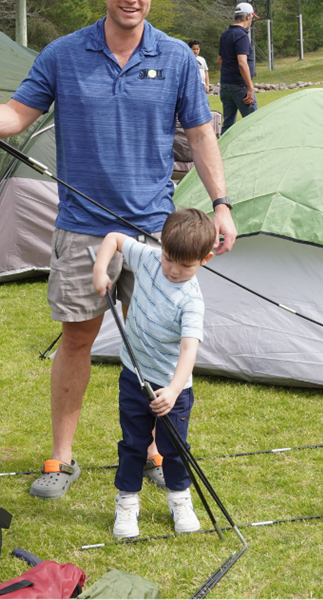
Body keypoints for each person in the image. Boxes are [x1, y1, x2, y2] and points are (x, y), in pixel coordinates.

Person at [0, 0, 237, 500]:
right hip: (81, 227)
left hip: (152, 232)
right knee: (77, 340)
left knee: (154, 345)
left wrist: (221, 204)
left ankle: (150, 449)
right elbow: (15, 116)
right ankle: (62, 458)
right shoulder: (63, 55)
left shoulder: (174, 59)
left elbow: (200, 134)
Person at [92, 207, 214, 537]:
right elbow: (114, 238)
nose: (174, 270)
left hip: (172, 390)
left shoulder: (191, 300)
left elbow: (189, 348)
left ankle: (180, 502)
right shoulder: (148, 258)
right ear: (161, 246)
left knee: (173, 450)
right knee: (133, 444)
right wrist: (100, 269)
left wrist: (174, 390)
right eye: (169, 259)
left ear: (206, 259)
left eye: (185, 265)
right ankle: (127, 506)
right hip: (134, 376)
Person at [217, 3, 258, 132]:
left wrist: (228, 75)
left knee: (228, 125)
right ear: (247, 17)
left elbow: (220, 60)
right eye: (251, 18)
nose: (251, 21)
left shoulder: (226, 34)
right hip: (240, 86)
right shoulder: (241, 35)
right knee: (253, 123)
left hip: (225, 84)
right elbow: (242, 63)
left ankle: (223, 151)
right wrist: (250, 88)